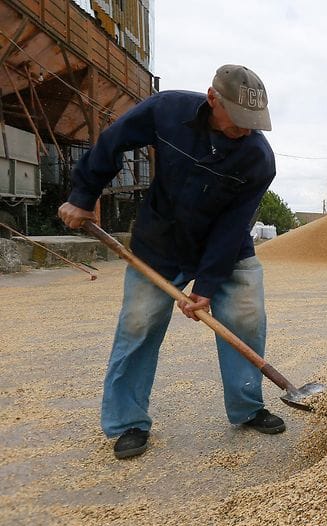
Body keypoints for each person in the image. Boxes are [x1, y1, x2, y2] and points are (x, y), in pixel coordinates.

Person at [57, 65, 283, 460]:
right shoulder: (167, 110)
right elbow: (112, 142)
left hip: (226, 249)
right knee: (138, 324)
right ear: (213, 99)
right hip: (161, 241)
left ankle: (248, 408)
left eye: (254, 123)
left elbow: (233, 227)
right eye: (240, 121)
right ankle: (128, 422)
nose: (247, 130)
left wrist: (206, 288)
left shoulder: (258, 158)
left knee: (247, 318)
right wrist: (83, 194)